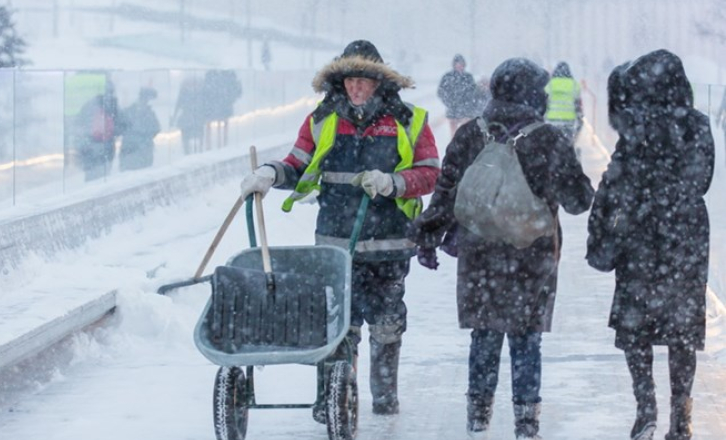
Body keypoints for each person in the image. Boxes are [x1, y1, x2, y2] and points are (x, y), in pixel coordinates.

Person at [239, 40, 440, 419]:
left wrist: (393, 182)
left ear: (379, 82)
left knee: (386, 324)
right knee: (336, 328)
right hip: (334, 247)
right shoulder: (322, 119)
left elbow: (430, 173)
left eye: (364, 81)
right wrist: (271, 173)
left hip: (389, 244)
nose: (356, 89)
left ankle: (384, 399)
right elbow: (297, 163)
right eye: (350, 80)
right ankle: (332, 401)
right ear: (341, 81)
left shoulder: (409, 120)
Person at [408, 57, 594, 439]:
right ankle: (527, 423)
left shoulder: (471, 135)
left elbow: (446, 193)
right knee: (526, 338)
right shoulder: (547, 139)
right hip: (533, 255)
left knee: (485, 335)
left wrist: (428, 236)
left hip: (481, 256)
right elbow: (578, 200)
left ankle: (478, 420)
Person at [586, 50, 715, 440]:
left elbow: (616, 180)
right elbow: (702, 180)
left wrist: (602, 226)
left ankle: (646, 410)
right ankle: (682, 417)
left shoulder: (636, 125)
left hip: (639, 237)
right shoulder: (697, 125)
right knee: (682, 334)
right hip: (686, 238)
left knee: (636, 328)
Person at [75, 80, 126, 181]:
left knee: (91, 177)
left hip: (90, 146)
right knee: (104, 177)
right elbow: (122, 126)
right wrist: (111, 132)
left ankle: (90, 193)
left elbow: (79, 124)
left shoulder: (89, 105)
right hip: (107, 146)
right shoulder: (113, 105)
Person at [437, 54, 482, 136]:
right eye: (458, 64)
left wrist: (470, 104)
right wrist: (449, 103)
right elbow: (441, 92)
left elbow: (474, 93)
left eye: (461, 64)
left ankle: (464, 146)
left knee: (466, 132)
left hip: (466, 111)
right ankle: (454, 146)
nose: (459, 66)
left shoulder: (468, 77)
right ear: (454, 65)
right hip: (453, 110)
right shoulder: (448, 77)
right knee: (454, 134)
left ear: (464, 65)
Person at [119, 87, 161, 171]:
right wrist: (146, 137)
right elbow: (156, 128)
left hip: (131, 149)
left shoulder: (128, 111)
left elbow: (120, 128)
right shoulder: (148, 113)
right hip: (141, 150)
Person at [544, 62, 583, 147]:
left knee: (551, 144)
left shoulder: (549, 85)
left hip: (551, 120)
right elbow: (578, 106)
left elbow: (545, 102)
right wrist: (580, 119)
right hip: (568, 121)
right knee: (567, 144)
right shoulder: (574, 85)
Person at [202, 69, 242, 149]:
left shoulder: (211, 79)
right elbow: (237, 93)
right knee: (223, 126)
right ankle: (223, 145)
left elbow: (205, 93)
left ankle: (210, 146)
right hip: (223, 107)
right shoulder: (228, 78)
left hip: (212, 107)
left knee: (210, 126)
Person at [171, 75, 206, 155]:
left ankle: (187, 154)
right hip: (197, 118)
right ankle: (198, 152)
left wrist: (174, 117)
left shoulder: (184, 89)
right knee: (198, 137)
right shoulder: (201, 87)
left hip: (187, 118)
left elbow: (178, 104)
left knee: (186, 138)